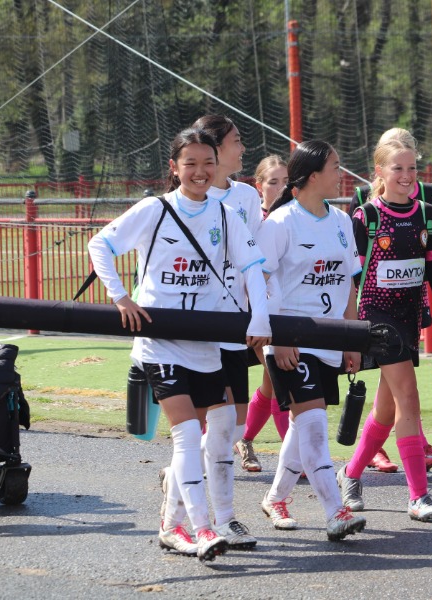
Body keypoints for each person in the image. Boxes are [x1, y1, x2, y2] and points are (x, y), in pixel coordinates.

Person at [86, 128, 271, 561]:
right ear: (174, 168)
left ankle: (172, 526)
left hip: (205, 345)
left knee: (209, 433)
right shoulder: (154, 209)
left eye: (208, 162)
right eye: (190, 163)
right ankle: (203, 529)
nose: (200, 171)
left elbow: (253, 267)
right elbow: (101, 244)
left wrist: (260, 316)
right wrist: (120, 297)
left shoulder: (226, 214)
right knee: (187, 435)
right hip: (159, 343)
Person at [335, 138, 432, 523]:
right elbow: (349, 279)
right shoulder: (366, 218)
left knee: (387, 410)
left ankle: (351, 474)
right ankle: (419, 494)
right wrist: (350, 330)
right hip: (376, 319)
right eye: (397, 169)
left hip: (409, 319)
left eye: (412, 169)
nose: (406, 177)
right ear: (380, 173)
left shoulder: (427, 215)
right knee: (409, 396)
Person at [257, 140, 367, 541]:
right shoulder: (280, 223)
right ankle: (335, 511)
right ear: (312, 175)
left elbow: (348, 286)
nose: (342, 172)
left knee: (302, 428)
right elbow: (261, 282)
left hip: (331, 340)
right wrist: (280, 336)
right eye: (336, 166)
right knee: (315, 426)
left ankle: (275, 497)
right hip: (289, 342)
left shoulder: (341, 221)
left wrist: (352, 339)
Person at [187, 114, 266, 547]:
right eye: (237, 141)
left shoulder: (247, 197)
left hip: (237, 322)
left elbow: (254, 262)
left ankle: (184, 480)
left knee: (233, 430)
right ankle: (222, 518)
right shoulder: (180, 202)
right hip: (198, 326)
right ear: (214, 150)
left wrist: (260, 315)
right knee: (211, 429)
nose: (243, 149)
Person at [235, 155, 290, 472]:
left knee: (271, 383)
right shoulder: (252, 219)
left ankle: (244, 440)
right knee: (279, 377)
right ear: (259, 186)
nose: (280, 187)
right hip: (254, 311)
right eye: (273, 181)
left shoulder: (294, 218)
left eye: (285, 181)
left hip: (284, 311)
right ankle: (293, 459)